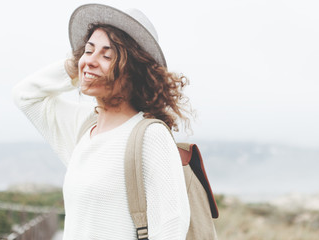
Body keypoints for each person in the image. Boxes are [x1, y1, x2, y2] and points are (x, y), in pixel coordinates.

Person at [12, 4, 192, 240]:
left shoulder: (149, 136)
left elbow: (170, 229)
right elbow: (24, 95)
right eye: (88, 50)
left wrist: (88, 62)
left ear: (135, 71)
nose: (92, 60)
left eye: (107, 55)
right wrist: (78, 65)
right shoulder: (84, 128)